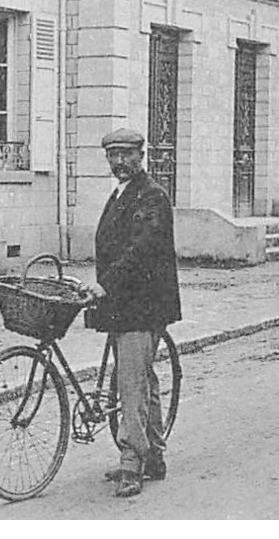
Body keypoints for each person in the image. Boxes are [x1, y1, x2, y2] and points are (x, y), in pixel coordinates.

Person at [83, 127, 181, 498]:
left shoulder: (151, 196)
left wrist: (105, 284)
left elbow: (140, 250)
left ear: (141, 155)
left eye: (126, 154)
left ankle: (131, 463)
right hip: (124, 301)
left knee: (130, 383)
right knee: (142, 379)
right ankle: (154, 457)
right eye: (113, 155)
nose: (119, 162)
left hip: (145, 303)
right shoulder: (121, 194)